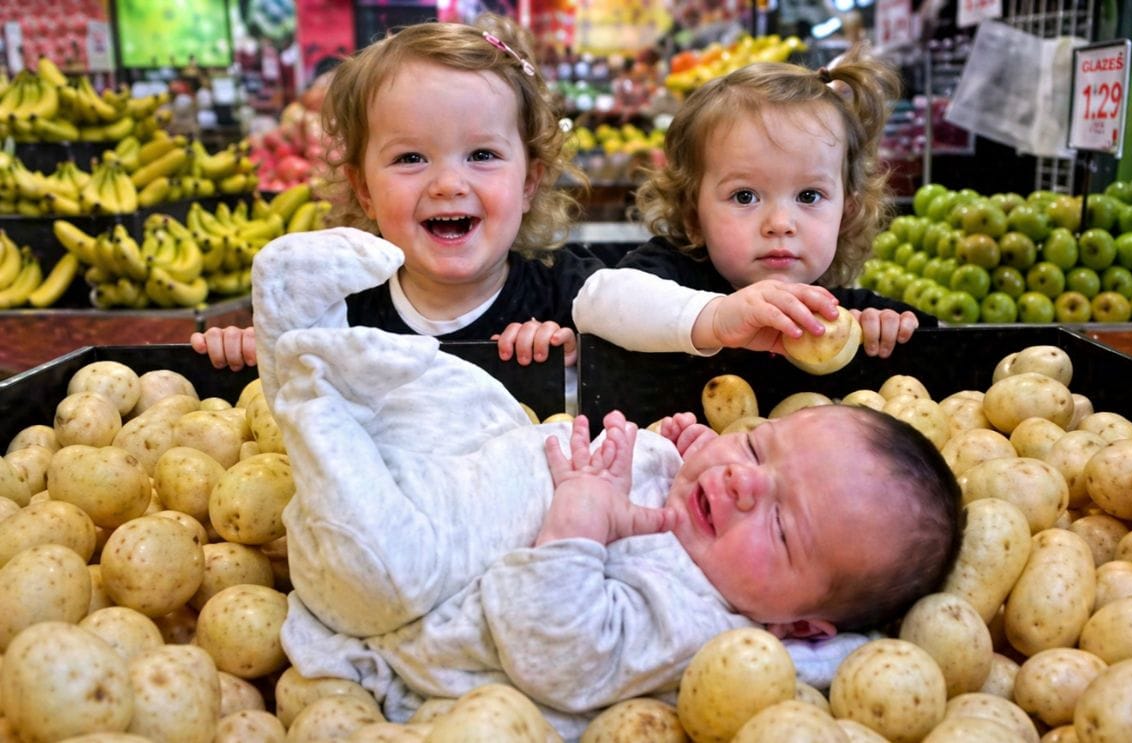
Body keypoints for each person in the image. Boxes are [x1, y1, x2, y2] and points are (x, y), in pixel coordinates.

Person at [252, 225, 963, 738]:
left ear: (798, 626)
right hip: (475, 467)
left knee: (377, 569)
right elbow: (707, 470)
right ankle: (335, 361)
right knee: (463, 395)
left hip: (420, 571)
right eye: (755, 446)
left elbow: (558, 649)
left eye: (780, 526)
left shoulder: (692, 624)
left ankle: (299, 351)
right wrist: (685, 451)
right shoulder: (705, 503)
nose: (742, 481)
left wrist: (579, 520)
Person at [191, 15, 602, 371]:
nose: (448, 184)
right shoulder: (337, 310)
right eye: (410, 158)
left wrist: (582, 353)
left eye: (482, 155)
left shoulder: (574, 296)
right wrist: (253, 352)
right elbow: (293, 380)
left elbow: (630, 363)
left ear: (529, 183)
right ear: (364, 190)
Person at [572, 52, 936, 360]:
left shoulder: (843, 313)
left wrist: (888, 330)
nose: (780, 223)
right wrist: (715, 317)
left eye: (809, 196)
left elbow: (941, 342)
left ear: (846, 214)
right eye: (744, 196)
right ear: (693, 216)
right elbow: (595, 302)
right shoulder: (669, 275)